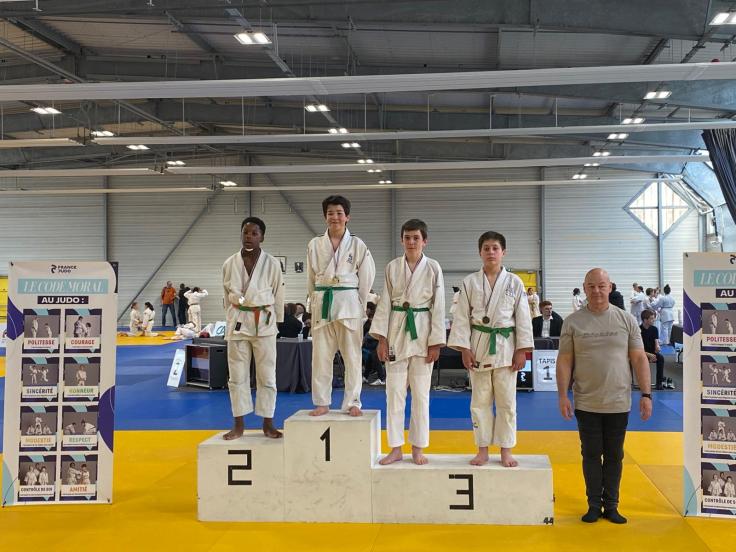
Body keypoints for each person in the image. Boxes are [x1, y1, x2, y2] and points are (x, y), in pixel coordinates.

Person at [557, 268, 652, 524]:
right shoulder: (572, 322)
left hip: (618, 401)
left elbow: (639, 358)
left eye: (601, 285)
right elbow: (564, 360)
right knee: (590, 454)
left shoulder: (626, 319)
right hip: (586, 401)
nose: (596, 290)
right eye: (591, 286)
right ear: (584, 289)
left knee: (614, 456)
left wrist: (646, 394)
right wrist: (562, 395)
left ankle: (611, 506)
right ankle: (593, 504)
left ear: (610, 287)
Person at [448, 231, 534, 467]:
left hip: (506, 346)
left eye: (495, 248)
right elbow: (462, 317)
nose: (491, 252)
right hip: (479, 345)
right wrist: (464, 349)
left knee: (507, 402)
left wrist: (522, 350)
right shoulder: (470, 282)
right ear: (480, 252)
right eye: (486, 248)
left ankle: (506, 449)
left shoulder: (514, 282)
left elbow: (523, 318)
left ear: (503, 252)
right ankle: (482, 449)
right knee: (479, 401)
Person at [370, 219, 446, 465]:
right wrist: (382, 339)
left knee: (421, 396)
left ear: (425, 241)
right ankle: (395, 448)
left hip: (423, 334)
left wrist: (436, 342)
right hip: (396, 332)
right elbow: (384, 304)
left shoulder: (433, 267)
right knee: (394, 394)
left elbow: (439, 306)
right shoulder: (392, 267)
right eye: (407, 238)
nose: (411, 242)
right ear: (401, 240)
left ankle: (418, 447)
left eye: (416, 238)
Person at [307, 195, 376, 417]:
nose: (334, 217)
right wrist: (313, 302)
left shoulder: (357, 244)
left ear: (347, 217)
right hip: (323, 302)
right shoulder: (315, 244)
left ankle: (353, 402)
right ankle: (322, 402)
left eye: (339, 213)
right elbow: (311, 278)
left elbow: (367, 276)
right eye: (330, 213)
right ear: (325, 217)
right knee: (321, 357)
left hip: (348, 303)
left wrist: (359, 302)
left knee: (352, 356)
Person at [222, 216, 284, 440]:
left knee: (267, 375)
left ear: (262, 237)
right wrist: (231, 318)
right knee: (236, 376)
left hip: (264, 322)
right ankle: (238, 424)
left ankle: (268, 422)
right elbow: (226, 296)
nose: (249, 236)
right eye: (245, 232)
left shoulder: (272, 263)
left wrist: (278, 322)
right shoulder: (229, 263)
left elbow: (278, 294)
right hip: (238, 321)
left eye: (254, 233)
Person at [640, 309, 665, 390]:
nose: (653, 320)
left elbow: (656, 342)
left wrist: (657, 347)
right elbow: (637, 348)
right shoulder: (638, 330)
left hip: (651, 352)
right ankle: (642, 383)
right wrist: (648, 355)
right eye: (651, 318)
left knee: (660, 358)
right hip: (640, 353)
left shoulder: (654, 329)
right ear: (645, 320)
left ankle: (659, 383)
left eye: (654, 318)